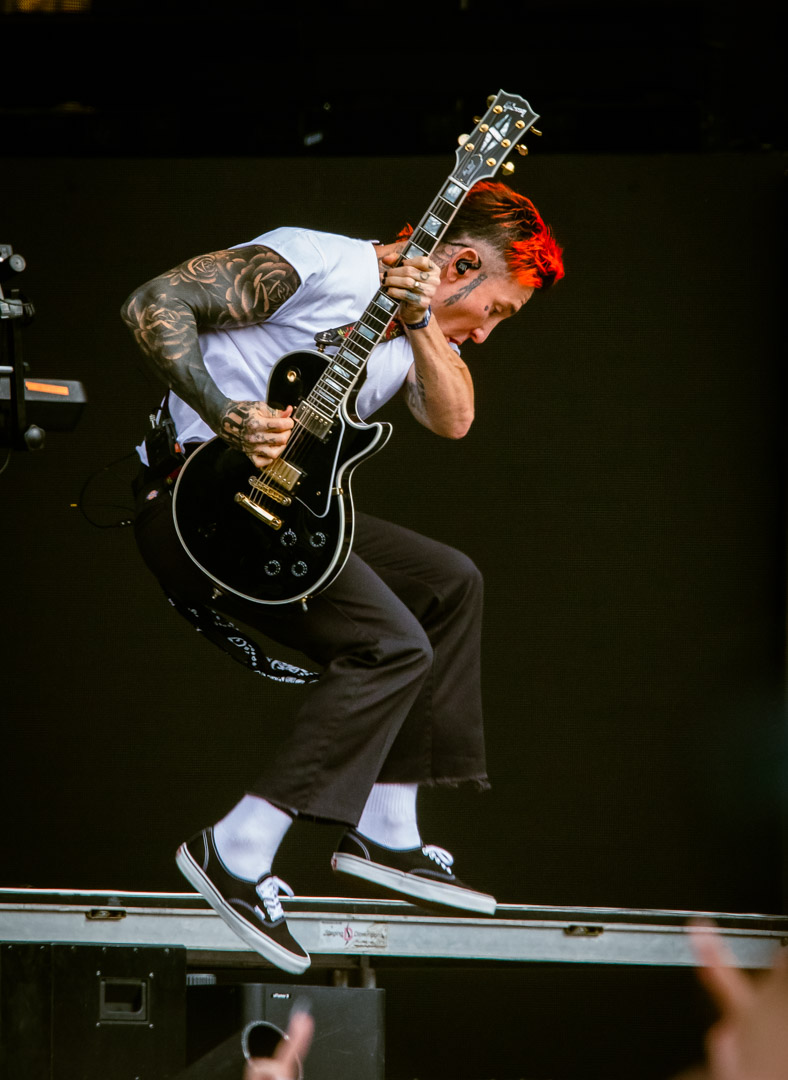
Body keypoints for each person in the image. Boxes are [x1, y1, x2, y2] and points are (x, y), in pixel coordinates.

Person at [121, 179, 565, 975]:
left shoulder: (411, 332)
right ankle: (238, 846)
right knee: (390, 645)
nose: (487, 332)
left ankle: (387, 828)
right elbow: (153, 302)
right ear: (463, 263)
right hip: (199, 501)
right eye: (494, 310)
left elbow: (455, 420)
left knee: (449, 581)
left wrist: (424, 318)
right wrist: (227, 413)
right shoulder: (320, 262)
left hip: (282, 511)